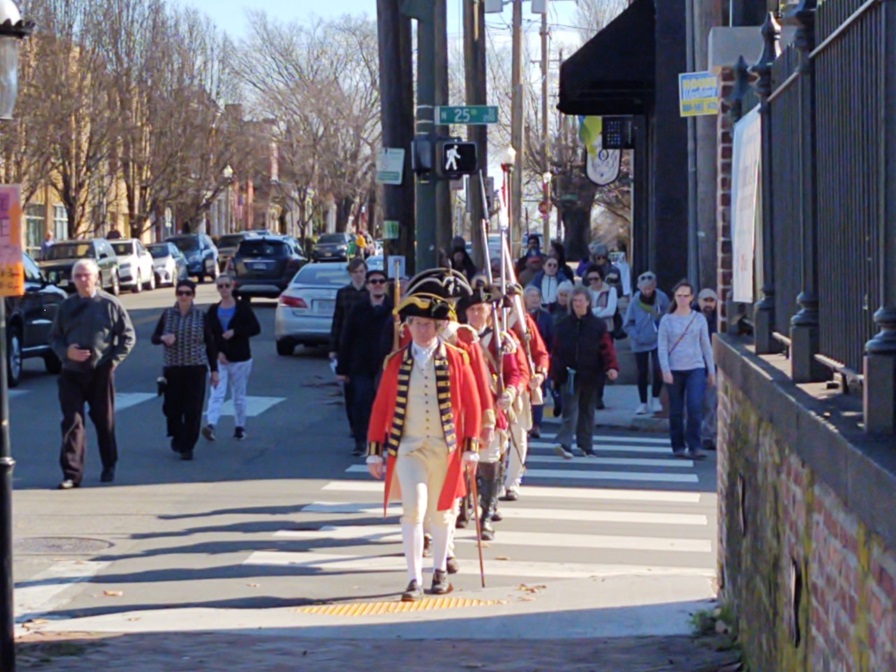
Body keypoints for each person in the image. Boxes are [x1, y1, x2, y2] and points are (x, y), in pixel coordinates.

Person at [366, 295, 482, 601]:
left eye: (428, 325)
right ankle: (414, 579)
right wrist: (374, 451)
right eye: (417, 324)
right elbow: (380, 408)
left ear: (438, 326)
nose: (422, 331)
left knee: (442, 514)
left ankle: (440, 570)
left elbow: (473, 405)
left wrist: (472, 447)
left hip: (445, 450)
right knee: (413, 511)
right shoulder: (395, 362)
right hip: (408, 448)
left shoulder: (458, 358)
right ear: (408, 326)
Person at [50, 259, 135, 489]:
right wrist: (66, 352)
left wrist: (114, 361)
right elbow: (55, 338)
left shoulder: (109, 304)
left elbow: (127, 336)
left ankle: (109, 464)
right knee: (72, 422)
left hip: (100, 371)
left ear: (97, 277)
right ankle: (71, 474)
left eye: (87, 275)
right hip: (71, 373)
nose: (83, 280)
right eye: (78, 276)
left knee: (103, 420)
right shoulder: (66, 306)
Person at [461, 285, 523, 539]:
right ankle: (462, 505)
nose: (477, 314)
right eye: (472, 309)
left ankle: (485, 514)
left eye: (481, 309)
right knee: (464, 463)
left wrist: (509, 392)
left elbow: (515, 372)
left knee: (489, 462)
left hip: (490, 409)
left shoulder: (501, 339)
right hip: (463, 409)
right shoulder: (457, 338)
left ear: (489, 311)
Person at [152, 279, 219, 461]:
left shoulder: (200, 316)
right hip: (173, 368)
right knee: (172, 409)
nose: (183, 296)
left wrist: (214, 370)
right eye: (180, 292)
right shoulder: (167, 315)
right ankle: (176, 435)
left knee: (192, 410)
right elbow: (154, 337)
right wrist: (164, 338)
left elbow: (210, 343)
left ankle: (187, 446)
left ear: (193, 296)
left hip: (195, 368)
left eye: (187, 293)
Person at [551, 286, 619, 460]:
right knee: (570, 410)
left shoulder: (597, 325)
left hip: (591, 374)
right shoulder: (562, 324)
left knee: (588, 411)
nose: (577, 304)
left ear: (588, 302)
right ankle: (564, 443)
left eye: (580, 300)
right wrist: (553, 375)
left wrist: (611, 367)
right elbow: (556, 351)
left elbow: (606, 348)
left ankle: (586, 446)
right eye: (574, 301)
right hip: (569, 374)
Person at [337, 268, 394, 456]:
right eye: (373, 282)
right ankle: (361, 441)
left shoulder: (394, 310)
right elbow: (346, 338)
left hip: (384, 365)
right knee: (361, 401)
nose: (377, 285)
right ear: (368, 286)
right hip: (360, 365)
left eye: (381, 282)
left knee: (384, 403)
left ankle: (384, 440)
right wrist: (342, 368)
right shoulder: (358, 309)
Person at [657, 279, 715, 460]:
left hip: (696, 367)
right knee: (676, 410)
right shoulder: (667, 320)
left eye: (686, 296)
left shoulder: (698, 319)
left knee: (695, 405)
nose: (682, 299)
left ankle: (695, 445)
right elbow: (662, 347)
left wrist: (711, 371)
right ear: (675, 297)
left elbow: (706, 346)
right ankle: (678, 446)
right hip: (674, 369)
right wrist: (665, 369)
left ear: (692, 298)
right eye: (679, 295)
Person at [202, 274, 261, 442]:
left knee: (238, 394)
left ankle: (239, 427)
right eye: (220, 286)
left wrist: (235, 332)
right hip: (220, 359)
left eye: (227, 286)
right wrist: (218, 353)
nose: (224, 289)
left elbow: (255, 328)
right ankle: (211, 425)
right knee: (217, 393)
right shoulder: (213, 310)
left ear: (232, 286)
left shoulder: (242, 307)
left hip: (241, 358)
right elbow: (209, 336)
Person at [331, 258, 368, 438]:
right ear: (350, 274)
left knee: (365, 391)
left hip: (367, 346)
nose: (359, 275)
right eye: (356, 272)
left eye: (362, 271)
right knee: (350, 390)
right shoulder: (344, 294)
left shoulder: (370, 294)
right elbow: (337, 321)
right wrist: (333, 348)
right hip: (347, 346)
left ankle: (364, 426)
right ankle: (354, 425)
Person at [624, 271, 670, 415]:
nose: (647, 291)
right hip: (640, 341)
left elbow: (668, 315)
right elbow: (628, 324)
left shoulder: (662, 298)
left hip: (657, 340)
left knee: (659, 368)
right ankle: (642, 402)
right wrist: (636, 336)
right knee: (642, 372)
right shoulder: (635, 302)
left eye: (650, 288)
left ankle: (655, 397)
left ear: (655, 286)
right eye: (644, 288)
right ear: (639, 288)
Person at [584, 265, 618, 410]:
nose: (593, 282)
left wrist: (593, 312)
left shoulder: (610, 291)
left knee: (604, 364)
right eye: (590, 279)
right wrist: (599, 310)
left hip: (606, 330)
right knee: (591, 363)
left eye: (596, 279)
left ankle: (599, 397)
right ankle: (591, 396)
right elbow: (584, 311)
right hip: (590, 331)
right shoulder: (586, 292)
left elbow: (610, 310)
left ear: (601, 278)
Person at [523, 286, 554, 439]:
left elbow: (551, 338)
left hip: (538, 359)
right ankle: (525, 424)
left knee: (538, 393)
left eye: (537, 296)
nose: (535, 299)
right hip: (522, 360)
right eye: (531, 296)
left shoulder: (546, 317)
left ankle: (536, 424)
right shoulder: (519, 317)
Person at [697, 288, 719, 450]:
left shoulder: (719, 321)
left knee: (710, 404)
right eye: (705, 300)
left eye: (711, 301)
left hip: (711, 368)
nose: (708, 304)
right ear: (698, 301)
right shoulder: (692, 318)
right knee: (692, 403)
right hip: (693, 366)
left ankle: (707, 435)